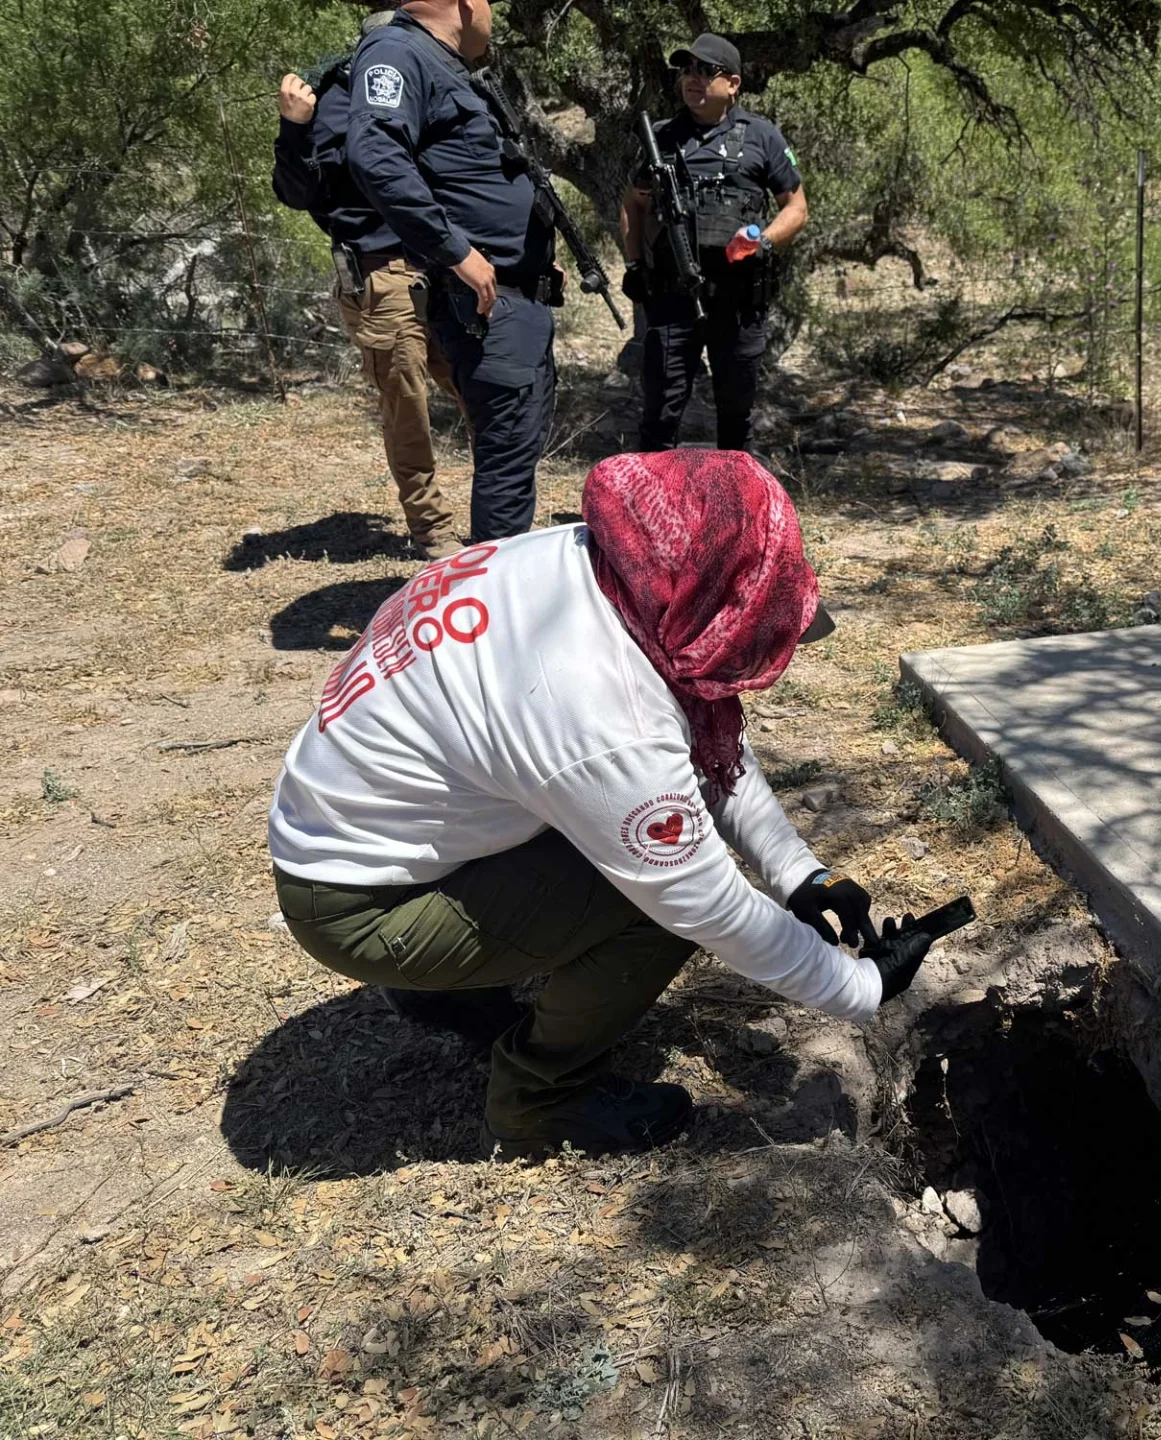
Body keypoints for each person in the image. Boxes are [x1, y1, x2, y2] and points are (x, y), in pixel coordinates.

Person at [267, 450, 932, 1158]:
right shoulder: (600, 707)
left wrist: (799, 871)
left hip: (358, 837)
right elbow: (701, 901)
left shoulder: (590, 564)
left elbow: (696, 743)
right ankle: (539, 1099)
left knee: (628, 852)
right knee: (653, 909)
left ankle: (450, 990)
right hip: (362, 904)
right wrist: (856, 987)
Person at [345, 0, 558, 543]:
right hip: (488, 304)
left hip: (519, 296)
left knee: (516, 451)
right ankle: (494, 609)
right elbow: (375, 154)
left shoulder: (446, 65)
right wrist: (456, 251)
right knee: (506, 458)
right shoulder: (396, 50)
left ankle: (502, 592)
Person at [273, 13, 463, 562]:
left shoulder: (441, 82)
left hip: (450, 265)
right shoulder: (330, 96)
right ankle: (433, 531)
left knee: (479, 386)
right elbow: (296, 190)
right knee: (407, 406)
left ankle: (500, 515)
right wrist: (295, 127)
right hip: (380, 275)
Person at [623, 34, 809, 453]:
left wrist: (761, 239)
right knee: (660, 412)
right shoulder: (662, 139)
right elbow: (633, 204)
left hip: (739, 298)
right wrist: (636, 264)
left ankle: (734, 508)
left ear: (734, 84)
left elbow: (795, 208)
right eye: (687, 70)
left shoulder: (762, 136)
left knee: (736, 413)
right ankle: (656, 509)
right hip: (674, 296)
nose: (693, 79)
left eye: (706, 71)